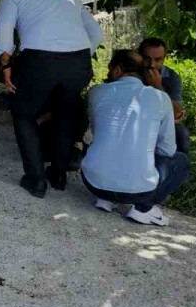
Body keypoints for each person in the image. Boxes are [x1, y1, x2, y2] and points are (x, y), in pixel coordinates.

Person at [0, 0, 103, 198]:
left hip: (39, 62)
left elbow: (3, 35)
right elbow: (97, 33)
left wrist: (6, 66)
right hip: (79, 62)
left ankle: (35, 180)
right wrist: (78, 55)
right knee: (65, 114)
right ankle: (58, 175)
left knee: (23, 113)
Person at [80, 50, 190, 226]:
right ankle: (143, 209)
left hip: (93, 183)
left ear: (116, 71)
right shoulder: (161, 98)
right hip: (138, 191)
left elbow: (95, 131)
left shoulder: (97, 92)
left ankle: (105, 199)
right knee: (181, 161)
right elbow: (167, 149)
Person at [138, 37, 190, 155]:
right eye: (147, 59)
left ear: (164, 59)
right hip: (137, 118)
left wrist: (158, 86)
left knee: (181, 134)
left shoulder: (172, 77)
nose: (152, 65)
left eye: (158, 59)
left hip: (162, 121)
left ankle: (179, 167)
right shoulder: (133, 73)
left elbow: (176, 113)